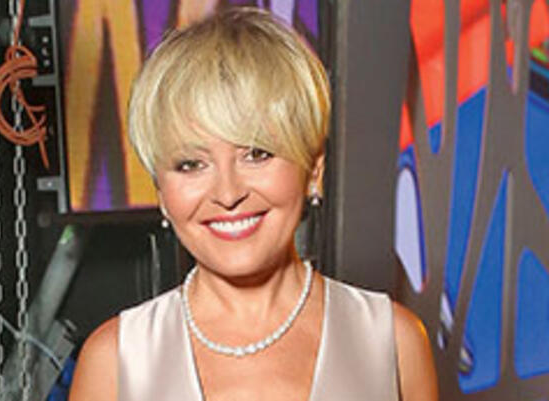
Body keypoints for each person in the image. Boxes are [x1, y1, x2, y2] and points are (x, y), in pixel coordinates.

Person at [68, 7, 438, 401]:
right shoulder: (115, 362)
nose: (228, 194)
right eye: (191, 164)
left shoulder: (392, 342)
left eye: (257, 154)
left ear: (314, 170)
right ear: (161, 191)